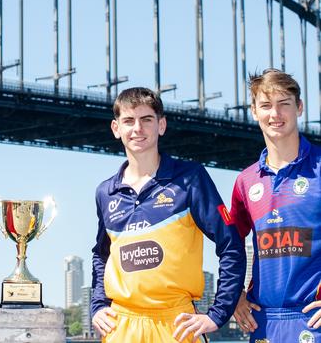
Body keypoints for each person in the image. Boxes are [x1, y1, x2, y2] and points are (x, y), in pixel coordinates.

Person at [90, 87, 246, 342]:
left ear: (161, 125)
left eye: (146, 120)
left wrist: (218, 314)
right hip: (121, 325)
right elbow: (101, 254)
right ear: (116, 129)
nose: (137, 129)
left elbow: (231, 243)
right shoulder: (106, 192)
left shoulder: (190, 179)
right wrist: (98, 305)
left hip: (176, 324)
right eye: (128, 121)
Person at [231, 69, 321, 342]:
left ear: (300, 107)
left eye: (284, 104)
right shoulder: (246, 180)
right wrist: (233, 294)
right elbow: (229, 244)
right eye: (266, 106)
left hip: (313, 319)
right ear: (254, 111)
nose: (275, 114)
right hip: (263, 323)